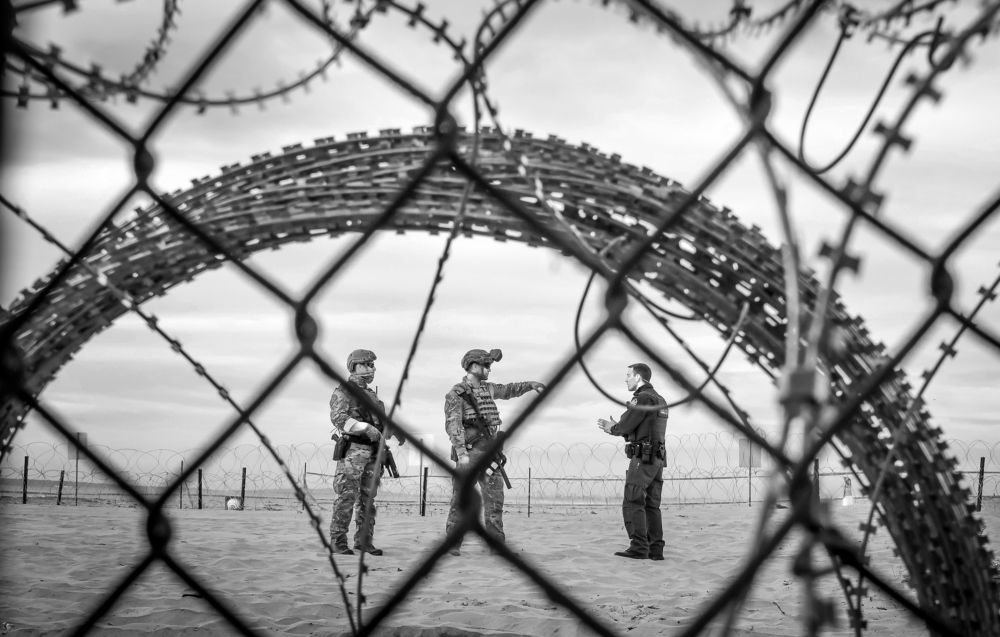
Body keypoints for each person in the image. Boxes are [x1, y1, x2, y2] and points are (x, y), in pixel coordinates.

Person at [444, 348, 545, 556]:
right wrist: (461, 453)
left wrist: (530, 385)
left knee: (495, 501)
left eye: (490, 365)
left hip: (490, 455)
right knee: (460, 501)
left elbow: (508, 390)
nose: (489, 369)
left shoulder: (488, 389)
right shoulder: (457, 393)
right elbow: (453, 426)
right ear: (473, 366)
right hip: (469, 455)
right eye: (486, 365)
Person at [328, 348, 396, 556]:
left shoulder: (371, 395)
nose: (370, 368)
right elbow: (338, 418)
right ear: (353, 367)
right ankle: (338, 542)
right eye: (365, 364)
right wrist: (364, 428)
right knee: (347, 496)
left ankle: (364, 541)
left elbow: (381, 424)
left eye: (372, 365)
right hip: (354, 452)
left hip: (374, 452)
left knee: (368, 499)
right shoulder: (344, 390)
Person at [598, 363, 668, 560]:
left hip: (643, 458)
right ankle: (656, 549)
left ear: (638, 377)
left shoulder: (642, 398)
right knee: (652, 505)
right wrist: (621, 429)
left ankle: (638, 547)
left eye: (628, 375)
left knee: (633, 500)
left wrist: (612, 428)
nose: (626, 379)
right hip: (658, 459)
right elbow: (643, 426)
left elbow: (627, 424)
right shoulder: (660, 399)